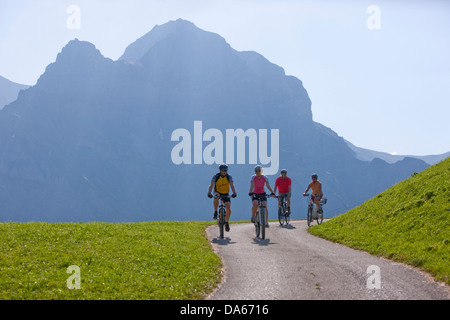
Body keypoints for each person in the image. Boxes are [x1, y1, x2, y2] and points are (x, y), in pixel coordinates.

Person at [208, 163, 237, 232]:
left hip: (226, 193)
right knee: (216, 197)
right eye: (223, 170)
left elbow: (232, 185)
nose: (224, 172)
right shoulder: (216, 176)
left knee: (228, 207)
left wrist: (234, 193)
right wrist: (209, 193)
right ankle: (215, 211)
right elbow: (211, 185)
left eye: (226, 170)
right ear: (220, 170)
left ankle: (227, 222)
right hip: (217, 191)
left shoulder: (229, 177)